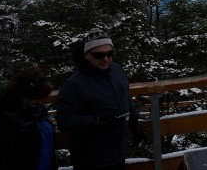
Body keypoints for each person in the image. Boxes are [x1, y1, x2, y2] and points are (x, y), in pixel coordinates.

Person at [56, 29, 144, 170]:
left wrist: (134, 123)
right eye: (99, 55)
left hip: (118, 153)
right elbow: (64, 121)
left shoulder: (117, 70)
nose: (105, 59)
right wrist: (97, 121)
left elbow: (125, 98)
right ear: (87, 55)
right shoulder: (74, 84)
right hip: (90, 159)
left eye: (109, 54)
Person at [0, 65, 57, 170]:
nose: (40, 101)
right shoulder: (5, 120)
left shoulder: (38, 112)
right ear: (28, 95)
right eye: (38, 98)